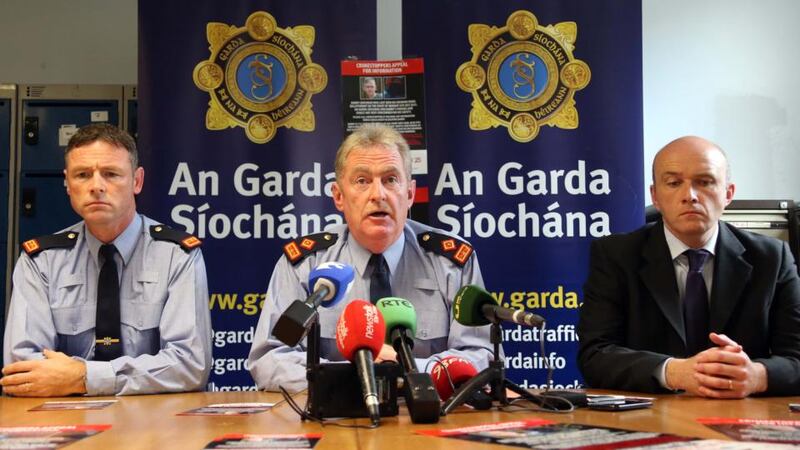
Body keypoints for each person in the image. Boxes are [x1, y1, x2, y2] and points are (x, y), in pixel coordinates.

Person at [247, 123, 493, 392]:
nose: (378, 195)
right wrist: (356, 376)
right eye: (362, 181)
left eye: (390, 179)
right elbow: (270, 358)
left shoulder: (451, 261)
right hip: (337, 420)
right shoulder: (306, 264)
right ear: (339, 196)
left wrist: (408, 369)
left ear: (409, 194)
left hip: (431, 417)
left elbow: (481, 354)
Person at [578, 136, 800, 398]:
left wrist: (757, 376)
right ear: (656, 196)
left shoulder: (771, 258)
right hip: (649, 420)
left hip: (741, 417)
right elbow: (595, 355)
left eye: (704, 182)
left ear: (728, 193)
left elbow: (796, 356)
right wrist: (674, 372)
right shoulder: (616, 256)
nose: (690, 196)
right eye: (673, 183)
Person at [2, 123, 212, 396]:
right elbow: (23, 368)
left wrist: (84, 377)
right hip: (64, 419)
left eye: (111, 174)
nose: (96, 186)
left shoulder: (177, 256)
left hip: (153, 423)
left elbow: (189, 365)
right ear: (67, 183)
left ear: (137, 181)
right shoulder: (41, 261)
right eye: (83, 175)